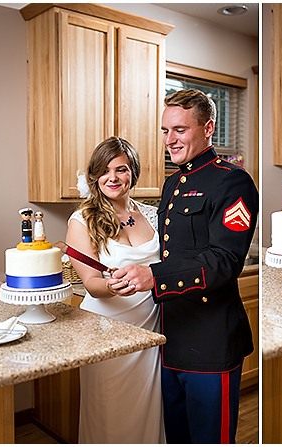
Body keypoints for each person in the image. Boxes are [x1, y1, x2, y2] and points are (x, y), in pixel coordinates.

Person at [112, 89, 258, 443]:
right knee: (177, 436)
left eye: (180, 129)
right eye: (165, 131)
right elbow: (171, 250)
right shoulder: (172, 183)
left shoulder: (232, 181)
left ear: (208, 128)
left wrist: (153, 276)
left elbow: (224, 261)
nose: (170, 140)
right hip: (170, 335)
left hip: (211, 339)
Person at [65, 136, 164, 443]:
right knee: (110, 414)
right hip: (106, 333)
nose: (113, 177)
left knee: (148, 410)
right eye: (105, 170)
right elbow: (92, 284)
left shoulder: (152, 214)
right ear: (95, 175)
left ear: (133, 171)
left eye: (121, 169)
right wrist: (112, 285)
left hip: (150, 329)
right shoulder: (82, 220)